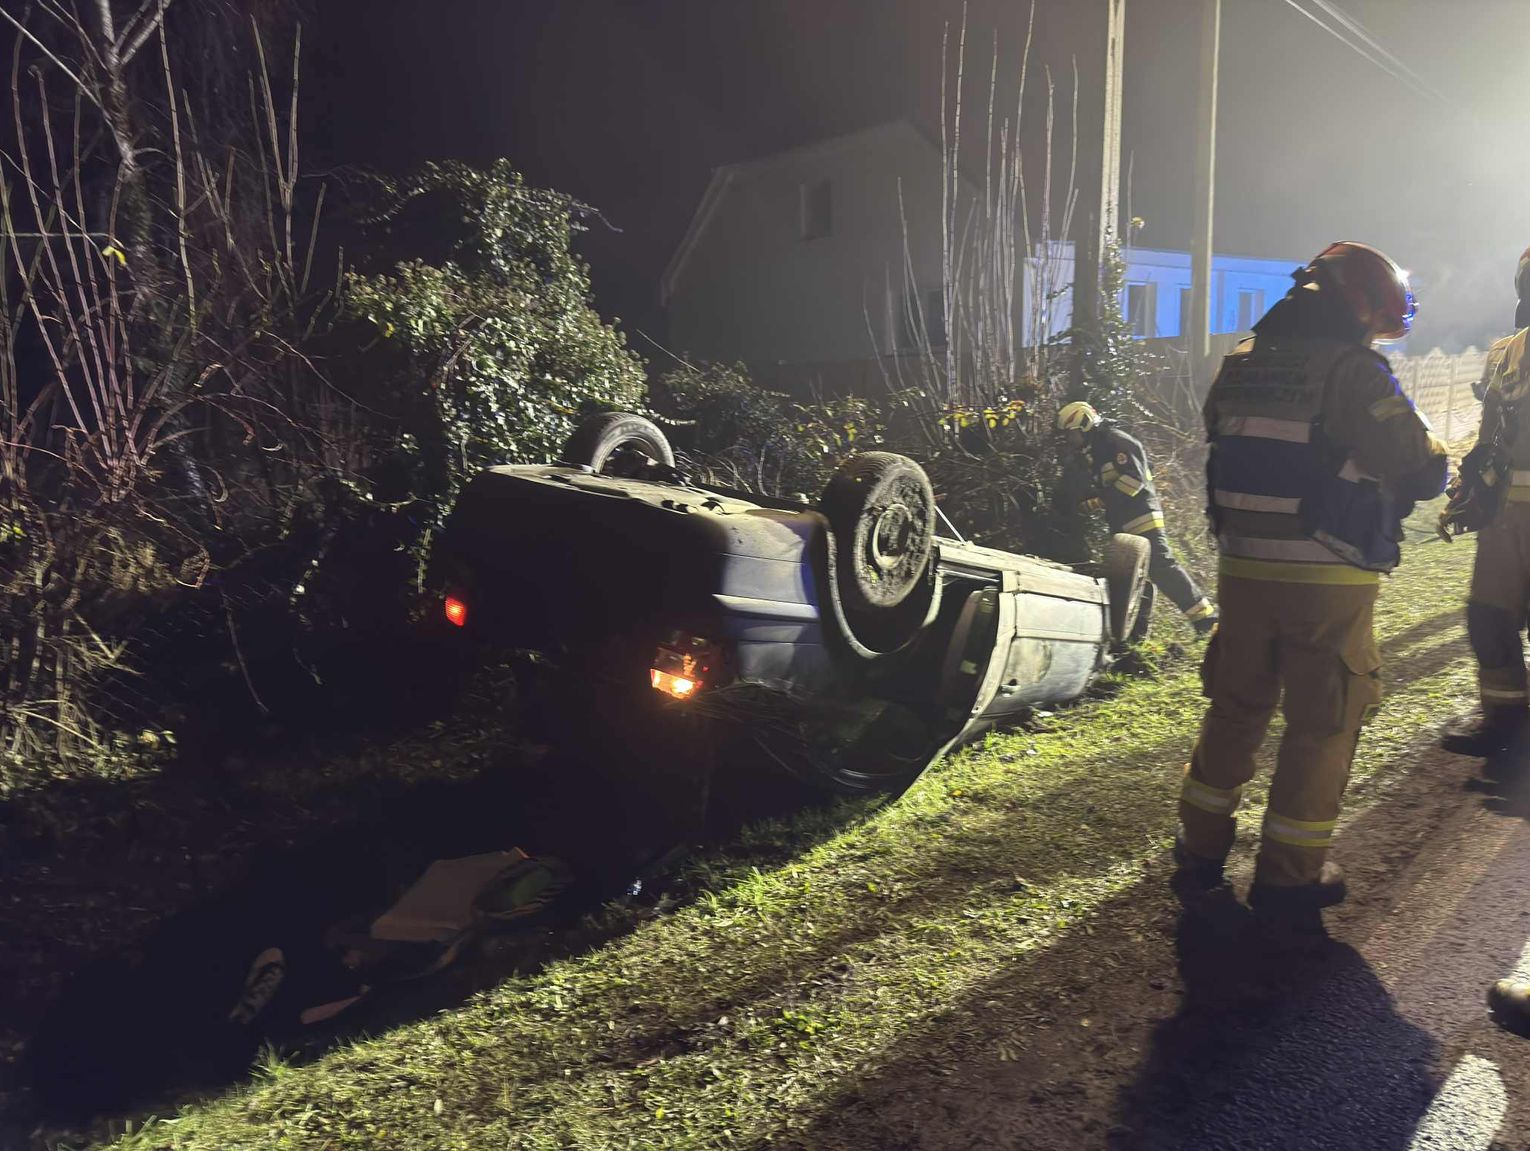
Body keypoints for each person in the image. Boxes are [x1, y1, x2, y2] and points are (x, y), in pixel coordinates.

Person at [1174, 241, 1449, 915]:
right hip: (1326, 573)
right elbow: (1416, 463)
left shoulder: (1239, 363)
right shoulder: (1355, 371)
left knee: (1236, 706)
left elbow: (1224, 438)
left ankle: (1200, 849)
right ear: (1361, 308)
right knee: (1323, 719)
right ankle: (1288, 880)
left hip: (1241, 569)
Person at [1438, 249, 1530, 755]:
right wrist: (1470, 484)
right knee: (1489, 618)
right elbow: (1490, 430)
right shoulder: (1506, 353)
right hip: (1507, 515)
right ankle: (1506, 722)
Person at [1056, 401, 1218, 636]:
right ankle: (1135, 632)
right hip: (1121, 521)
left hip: (1141, 516)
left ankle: (1206, 619)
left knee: (1161, 567)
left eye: (1072, 433)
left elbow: (1134, 481)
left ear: (1084, 424)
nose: (1071, 439)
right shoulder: (1096, 450)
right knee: (1133, 575)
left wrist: (1100, 500)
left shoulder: (1117, 442)